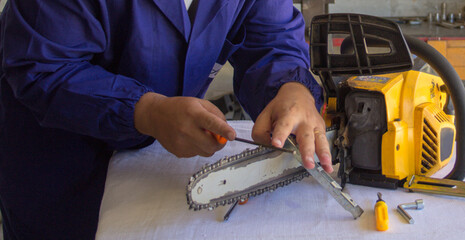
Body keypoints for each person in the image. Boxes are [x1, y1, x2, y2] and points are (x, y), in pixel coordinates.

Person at [0, 0, 332, 238]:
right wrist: (144, 111)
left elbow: (272, 39)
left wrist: (293, 87)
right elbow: (42, 67)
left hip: (154, 161)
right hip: (57, 159)